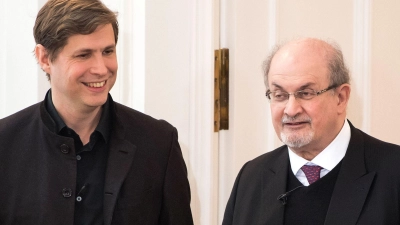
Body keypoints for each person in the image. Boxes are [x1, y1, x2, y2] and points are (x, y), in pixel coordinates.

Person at [0, 0, 193, 224]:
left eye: (108, 51)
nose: (101, 69)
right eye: (84, 55)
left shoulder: (159, 143)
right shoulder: (4, 144)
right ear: (44, 58)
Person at [222, 38, 400, 225]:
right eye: (280, 95)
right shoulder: (251, 177)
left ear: (341, 98)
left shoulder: (393, 172)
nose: (291, 110)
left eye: (306, 93)